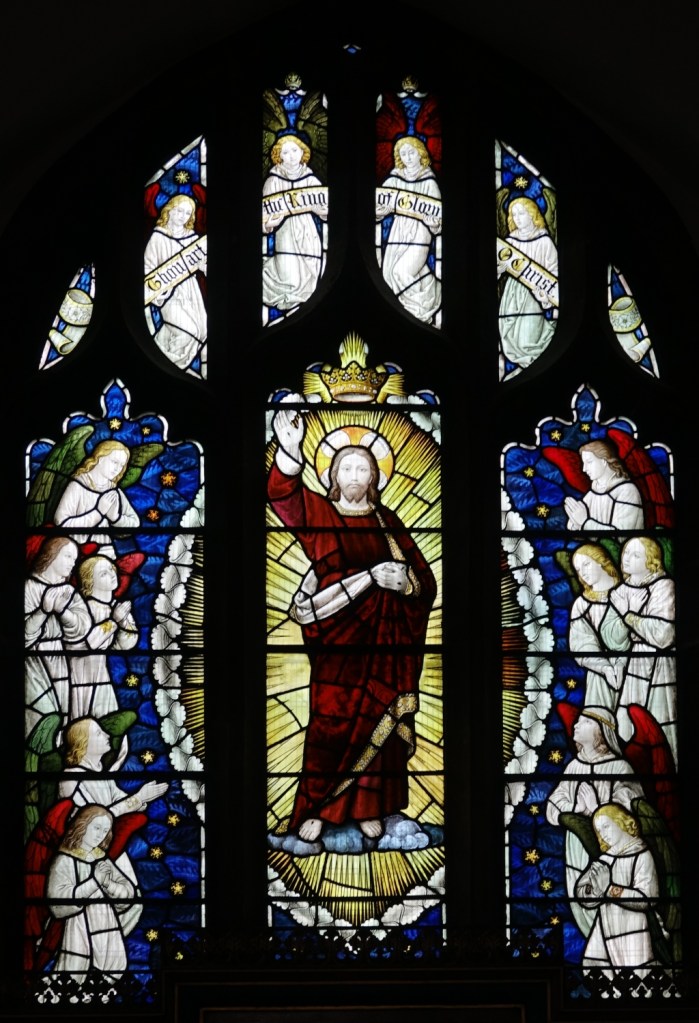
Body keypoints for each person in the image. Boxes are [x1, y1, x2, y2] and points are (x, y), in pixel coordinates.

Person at [268, 409, 436, 842]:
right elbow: (284, 497)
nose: (355, 475)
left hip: (384, 643)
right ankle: (317, 809)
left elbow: (424, 580)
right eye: (347, 468)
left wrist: (407, 585)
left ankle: (369, 808)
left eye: (363, 468)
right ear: (333, 476)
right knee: (330, 722)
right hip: (336, 642)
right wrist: (290, 452)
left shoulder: (388, 523)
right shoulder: (323, 516)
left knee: (378, 719)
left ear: (376, 477)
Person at [546, 706, 645, 936]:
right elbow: (552, 807)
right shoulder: (574, 767)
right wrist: (576, 809)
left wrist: (595, 809)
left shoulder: (620, 767)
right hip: (576, 850)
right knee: (582, 896)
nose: (576, 725)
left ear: (600, 732)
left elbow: (629, 813)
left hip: (612, 850)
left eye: (585, 722)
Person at [45, 805, 140, 983]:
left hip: (107, 925)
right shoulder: (64, 860)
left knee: (111, 971)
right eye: (97, 828)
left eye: (105, 831)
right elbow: (57, 905)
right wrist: (94, 882)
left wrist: (108, 883)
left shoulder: (102, 859)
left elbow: (128, 895)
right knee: (73, 975)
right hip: (78, 928)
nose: (101, 835)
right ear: (82, 825)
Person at [605, 537, 676, 762]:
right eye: (626, 552)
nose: (626, 558)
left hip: (660, 666)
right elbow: (611, 638)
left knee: (658, 721)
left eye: (636, 555)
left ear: (651, 561)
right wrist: (627, 619)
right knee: (628, 723)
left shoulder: (664, 586)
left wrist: (629, 616)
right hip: (634, 662)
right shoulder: (619, 592)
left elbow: (664, 635)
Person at [575, 803, 661, 976]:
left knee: (637, 976)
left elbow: (648, 898)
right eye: (599, 830)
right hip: (605, 928)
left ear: (621, 822)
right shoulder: (605, 858)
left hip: (633, 930)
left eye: (606, 826)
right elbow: (581, 891)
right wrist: (595, 891)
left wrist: (609, 889)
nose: (603, 834)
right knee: (593, 967)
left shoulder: (641, 855)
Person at [25, 538, 91, 734]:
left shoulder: (68, 591)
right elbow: (24, 636)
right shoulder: (29, 587)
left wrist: (63, 612)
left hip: (60, 658)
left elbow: (83, 628)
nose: (72, 563)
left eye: (75, 559)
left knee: (61, 716)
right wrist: (44, 611)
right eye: (68, 556)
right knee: (42, 714)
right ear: (51, 555)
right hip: (34, 662)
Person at [376, 136, 442, 323]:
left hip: (420, 232)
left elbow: (438, 219)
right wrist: (382, 210)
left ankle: (418, 310)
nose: (408, 157)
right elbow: (377, 207)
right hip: (399, 229)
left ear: (420, 153)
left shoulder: (429, 182)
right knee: (390, 273)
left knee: (401, 271)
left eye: (411, 152)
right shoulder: (395, 178)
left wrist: (432, 222)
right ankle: (432, 291)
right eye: (403, 154)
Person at [67, 555, 138, 720]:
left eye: (111, 569)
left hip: (102, 676)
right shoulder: (85, 609)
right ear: (90, 582)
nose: (112, 574)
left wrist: (123, 623)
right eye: (103, 573)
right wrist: (114, 621)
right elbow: (90, 643)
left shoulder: (116, 607)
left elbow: (126, 645)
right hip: (82, 676)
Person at [262, 134, 327, 314]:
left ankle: (307, 301)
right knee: (289, 275)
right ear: (278, 156)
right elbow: (263, 217)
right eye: (285, 152)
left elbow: (326, 209)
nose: (291, 156)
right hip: (285, 233)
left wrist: (321, 210)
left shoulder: (310, 179)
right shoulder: (273, 181)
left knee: (310, 269)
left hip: (307, 230)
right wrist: (269, 222)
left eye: (294, 150)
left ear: (302, 152)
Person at [144, 193, 207, 372]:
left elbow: (204, 264)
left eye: (187, 213)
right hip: (168, 294)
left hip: (191, 291)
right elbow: (147, 268)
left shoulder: (193, 239)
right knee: (189, 332)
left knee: (202, 330)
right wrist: (159, 289)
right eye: (179, 211)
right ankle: (166, 366)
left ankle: (160, 357)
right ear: (169, 210)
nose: (182, 216)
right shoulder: (158, 237)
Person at [59, 717, 168, 816]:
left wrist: (142, 798)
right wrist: (139, 797)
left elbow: (119, 798)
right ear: (83, 743)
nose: (107, 735)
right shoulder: (71, 779)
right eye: (99, 733)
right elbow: (96, 818)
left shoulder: (100, 773)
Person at [497, 196, 558, 371]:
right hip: (511, 295)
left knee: (528, 336)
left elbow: (554, 272)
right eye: (514, 214)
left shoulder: (544, 241)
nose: (517, 218)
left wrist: (545, 296)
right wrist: (499, 269)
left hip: (534, 296)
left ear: (532, 214)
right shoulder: (510, 242)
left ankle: (532, 365)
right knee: (510, 334)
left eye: (521, 213)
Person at [568, 544, 629, 710]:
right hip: (599, 677)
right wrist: (604, 668)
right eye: (578, 569)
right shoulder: (581, 604)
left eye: (586, 564)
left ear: (601, 561)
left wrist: (622, 661)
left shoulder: (628, 593)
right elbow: (581, 643)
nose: (582, 572)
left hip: (633, 669)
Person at [53, 440, 138, 532]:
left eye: (122, 465)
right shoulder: (78, 486)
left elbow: (135, 522)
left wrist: (115, 518)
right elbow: (61, 522)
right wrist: (98, 512)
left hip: (105, 541)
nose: (118, 469)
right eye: (114, 462)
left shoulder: (113, 491)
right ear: (100, 458)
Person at [564, 439, 644, 531]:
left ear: (604, 461)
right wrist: (574, 519)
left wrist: (585, 521)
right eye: (583, 463)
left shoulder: (627, 491)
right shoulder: (593, 492)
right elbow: (574, 525)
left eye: (589, 462)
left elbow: (620, 535)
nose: (584, 469)